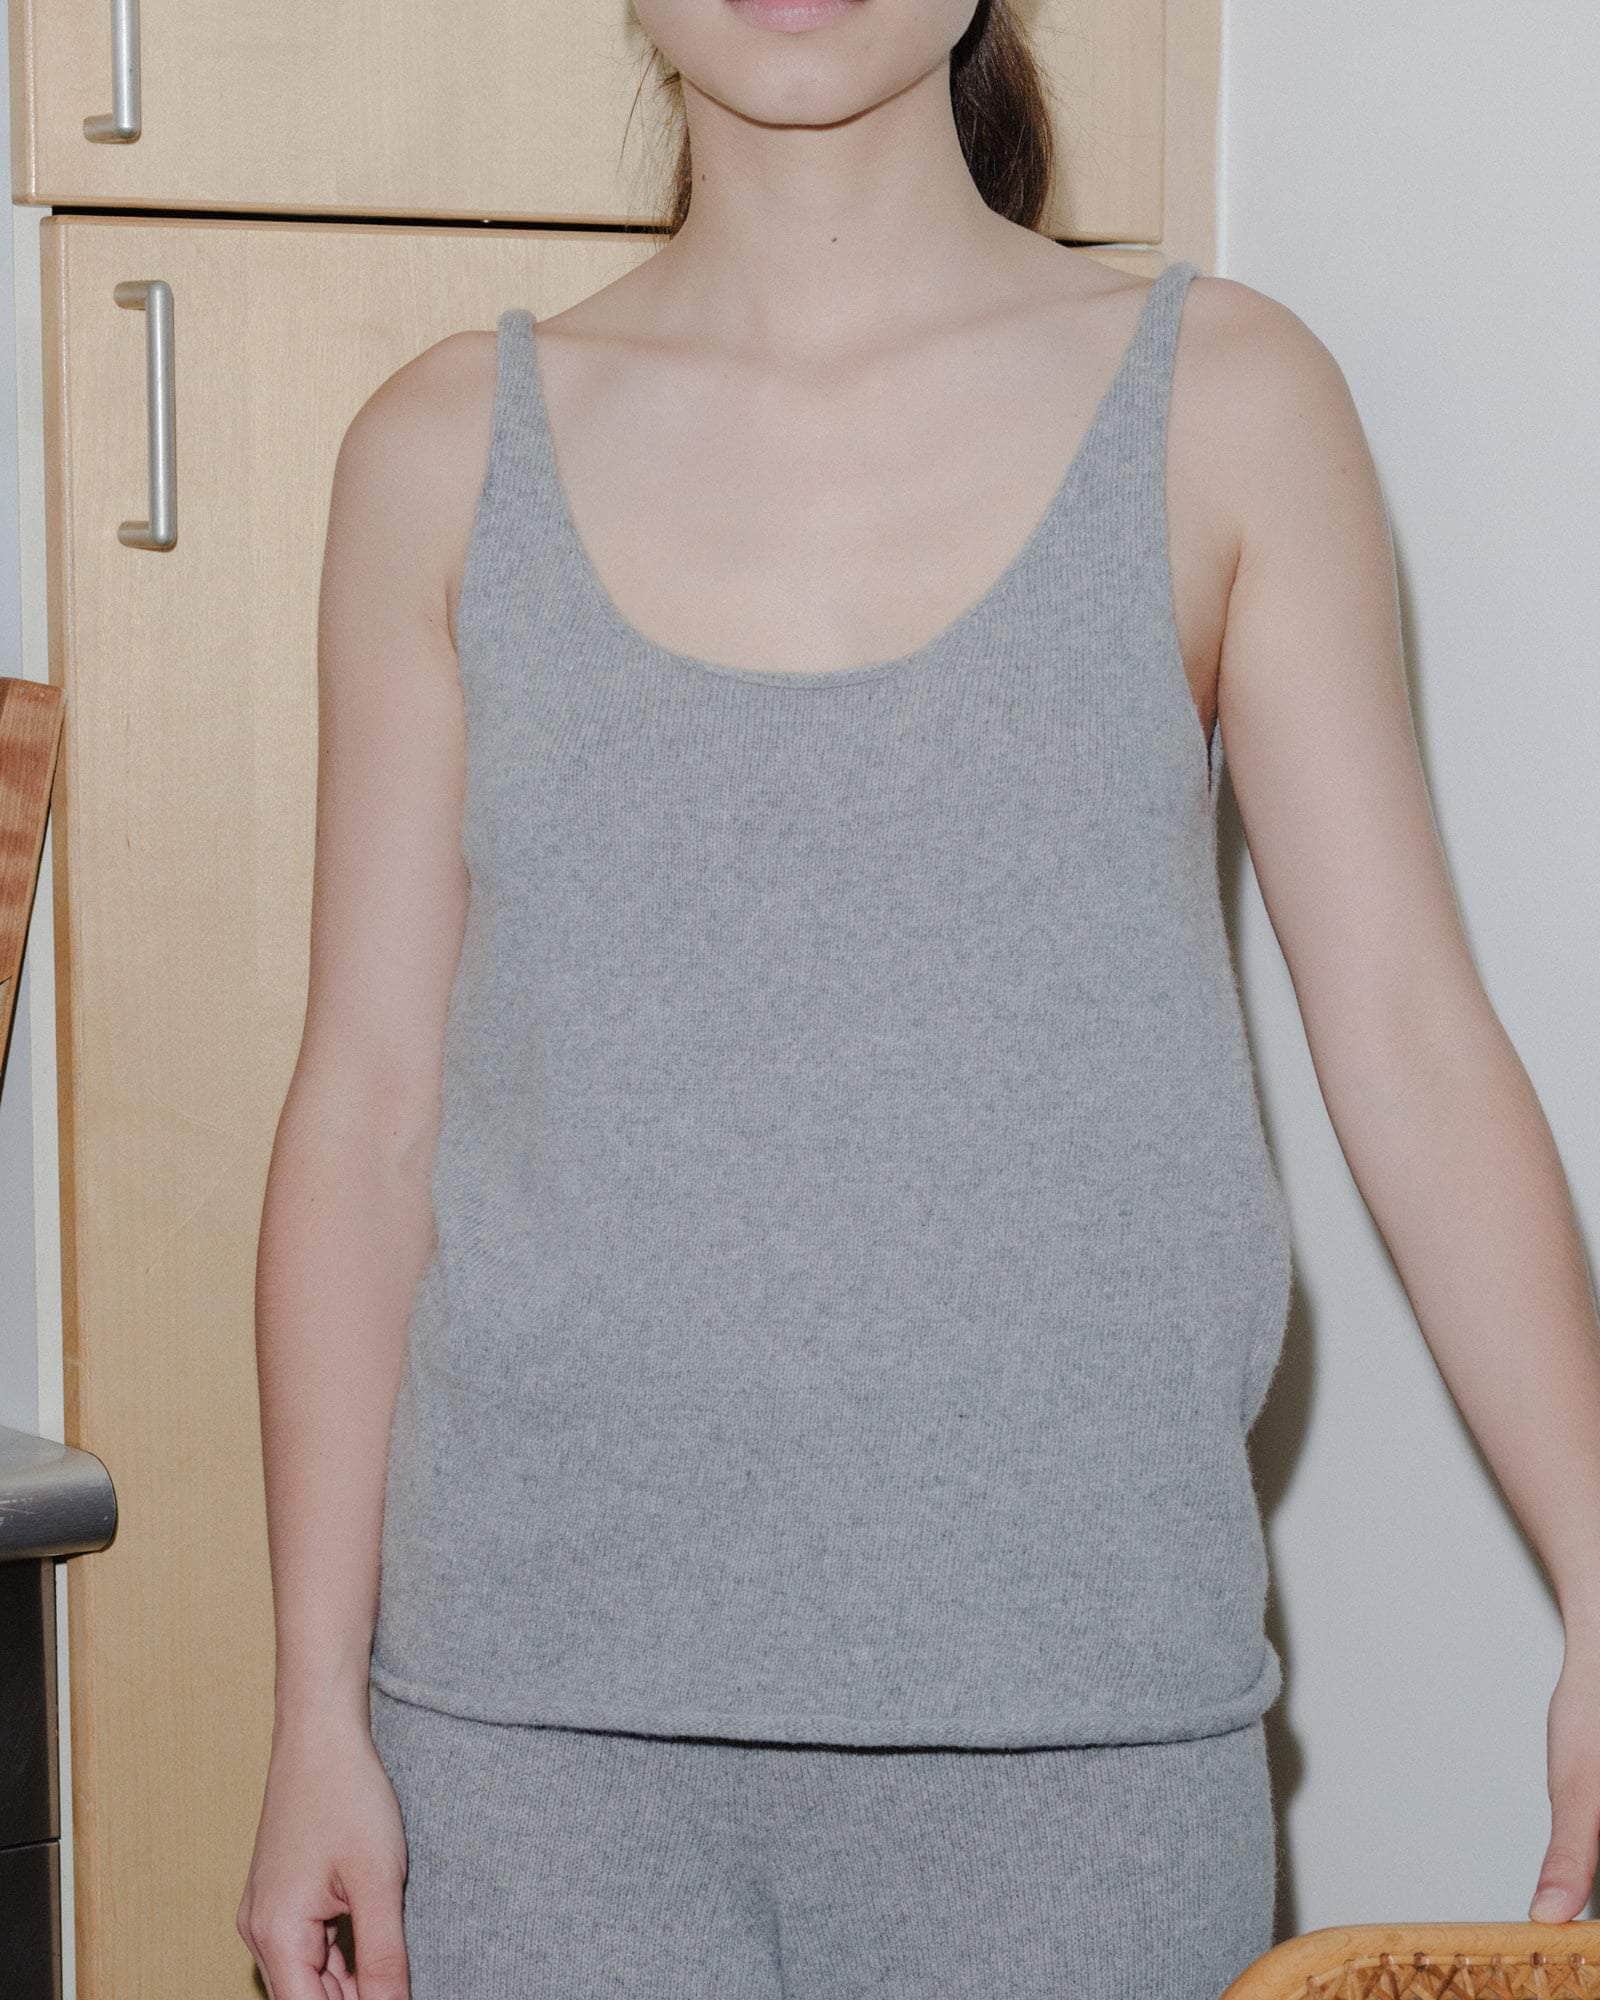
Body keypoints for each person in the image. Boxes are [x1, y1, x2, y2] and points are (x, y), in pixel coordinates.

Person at [237, 2, 1600, 1995]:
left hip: (1084, 1744)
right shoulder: (439, 457)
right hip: (519, 1751)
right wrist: (310, 1712)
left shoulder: (1226, 404)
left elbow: (1407, 1037)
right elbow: (362, 1115)